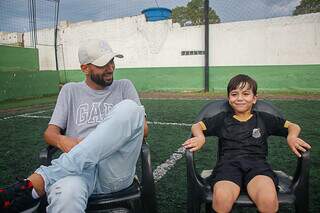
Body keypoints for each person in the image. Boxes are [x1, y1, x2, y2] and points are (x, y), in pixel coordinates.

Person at [0, 39, 148, 212]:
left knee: (131, 109)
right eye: (102, 64)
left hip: (114, 170)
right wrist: (62, 140)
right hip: (78, 172)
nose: (110, 68)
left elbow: (143, 128)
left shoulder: (124, 86)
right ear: (85, 68)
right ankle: (39, 185)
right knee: (65, 195)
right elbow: (50, 133)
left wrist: (91, 144)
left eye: (112, 61)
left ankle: (39, 182)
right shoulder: (70, 90)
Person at [182, 74, 311, 213]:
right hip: (228, 166)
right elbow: (197, 126)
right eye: (234, 94)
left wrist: (291, 136)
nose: (240, 98)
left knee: (268, 199)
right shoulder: (222, 119)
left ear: (254, 98)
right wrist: (200, 137)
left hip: (257, 167)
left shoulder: (263, 119)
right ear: (229, 98)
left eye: (246, 94)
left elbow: (293, 126)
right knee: (221, 199)